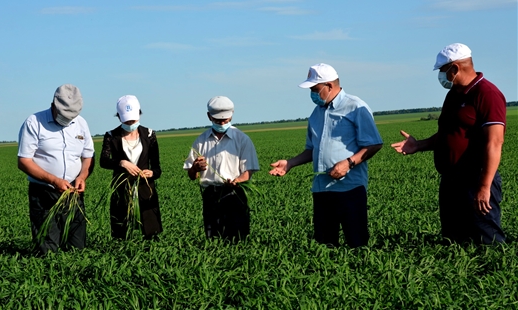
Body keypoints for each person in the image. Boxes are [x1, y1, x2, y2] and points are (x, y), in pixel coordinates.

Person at [391, 43, 506, 244]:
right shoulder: (453, 94)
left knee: (486, 240)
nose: (441, 76)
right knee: (453, 241)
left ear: (455, 68)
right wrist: (419, 145)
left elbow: (495, 142)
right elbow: (449, 134)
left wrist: (484, 186)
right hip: (452, 180)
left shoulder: (487, 93)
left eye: (442, 71)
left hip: (475, 179)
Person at [270, 64, 383, 248]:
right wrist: (290, 163)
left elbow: (374, 144)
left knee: (357, 244)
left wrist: (348, 163)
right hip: (322, 190)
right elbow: (312, 150)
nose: (312, 95)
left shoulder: (355, 107)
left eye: (315, 89)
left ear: (329, 86)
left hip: (350, 189)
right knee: (325, 246)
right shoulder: (316, 114)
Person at [17, 84, 95, 254]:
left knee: (77, 248)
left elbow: (88, 155)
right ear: (53, 105)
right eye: (64, 115)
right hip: (44, 192)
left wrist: (82, 176)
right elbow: (24, 161)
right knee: (47, 250)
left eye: (72, 116)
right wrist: (53, 180)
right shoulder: (34, 122)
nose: (68, 120)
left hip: (74, 194)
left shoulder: (81, 124)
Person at [184, 96, 259, 242]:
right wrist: (195, 168)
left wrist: (237, 180)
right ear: (209, 116)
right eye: (218, 120)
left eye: (226, 120)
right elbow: (191, 175)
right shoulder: (201, 141)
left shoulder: (242, 139)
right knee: (213, 237)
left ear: (231, 115)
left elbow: (249, 171)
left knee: (237, 236)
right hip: (211, 194)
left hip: (235, 193)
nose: (222, 123)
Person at [100, 95, 163, 240]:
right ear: (119, 118)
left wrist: (151, 173)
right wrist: (121, 163)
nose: (130, 123)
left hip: (146, 191)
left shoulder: (149, 135)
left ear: (139, 114)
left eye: (133, 120)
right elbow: (103, 161)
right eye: (126, 121)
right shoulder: (111, 136)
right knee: (121, 233)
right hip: (121, 189)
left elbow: (157, 169)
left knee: (150, 233)